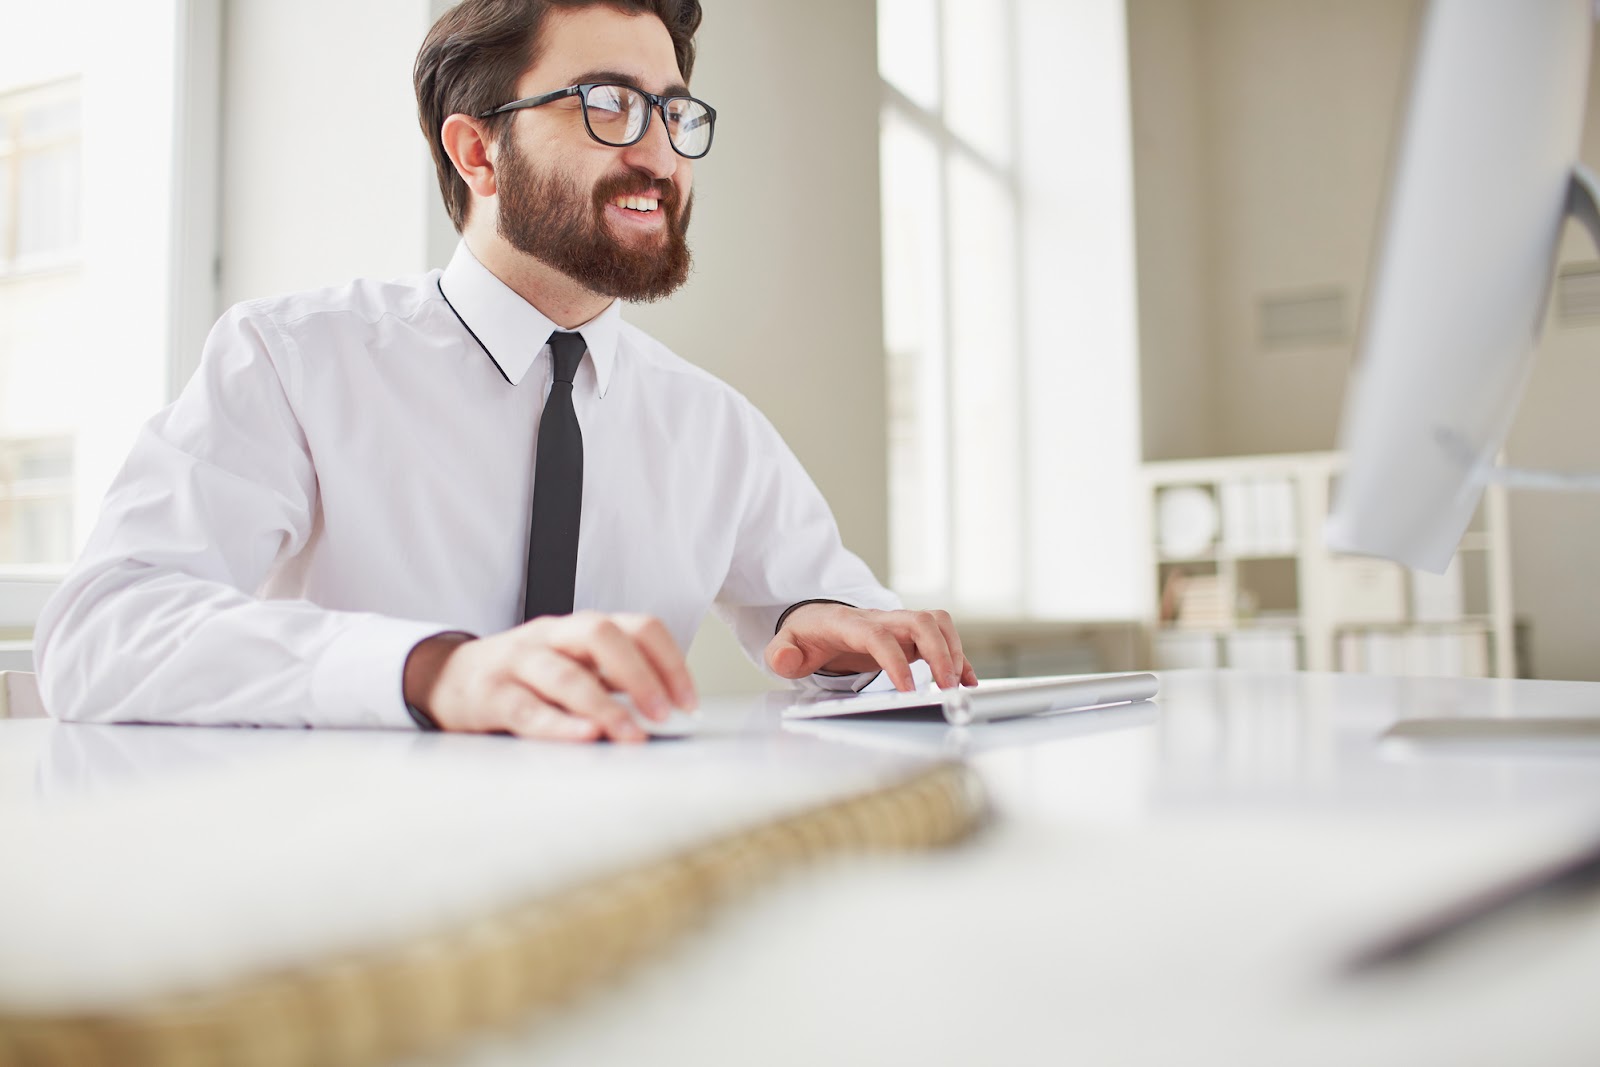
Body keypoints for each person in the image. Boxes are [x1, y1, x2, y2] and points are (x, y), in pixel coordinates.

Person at [34, 0, 977, 743]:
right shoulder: (293, 360)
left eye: (673, 111)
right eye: (608, 105)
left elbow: (826, 617)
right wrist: (434, 670)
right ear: (477, 150)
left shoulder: (713, 427)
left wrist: (842, 632)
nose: (658, 153)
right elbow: (101, 635)